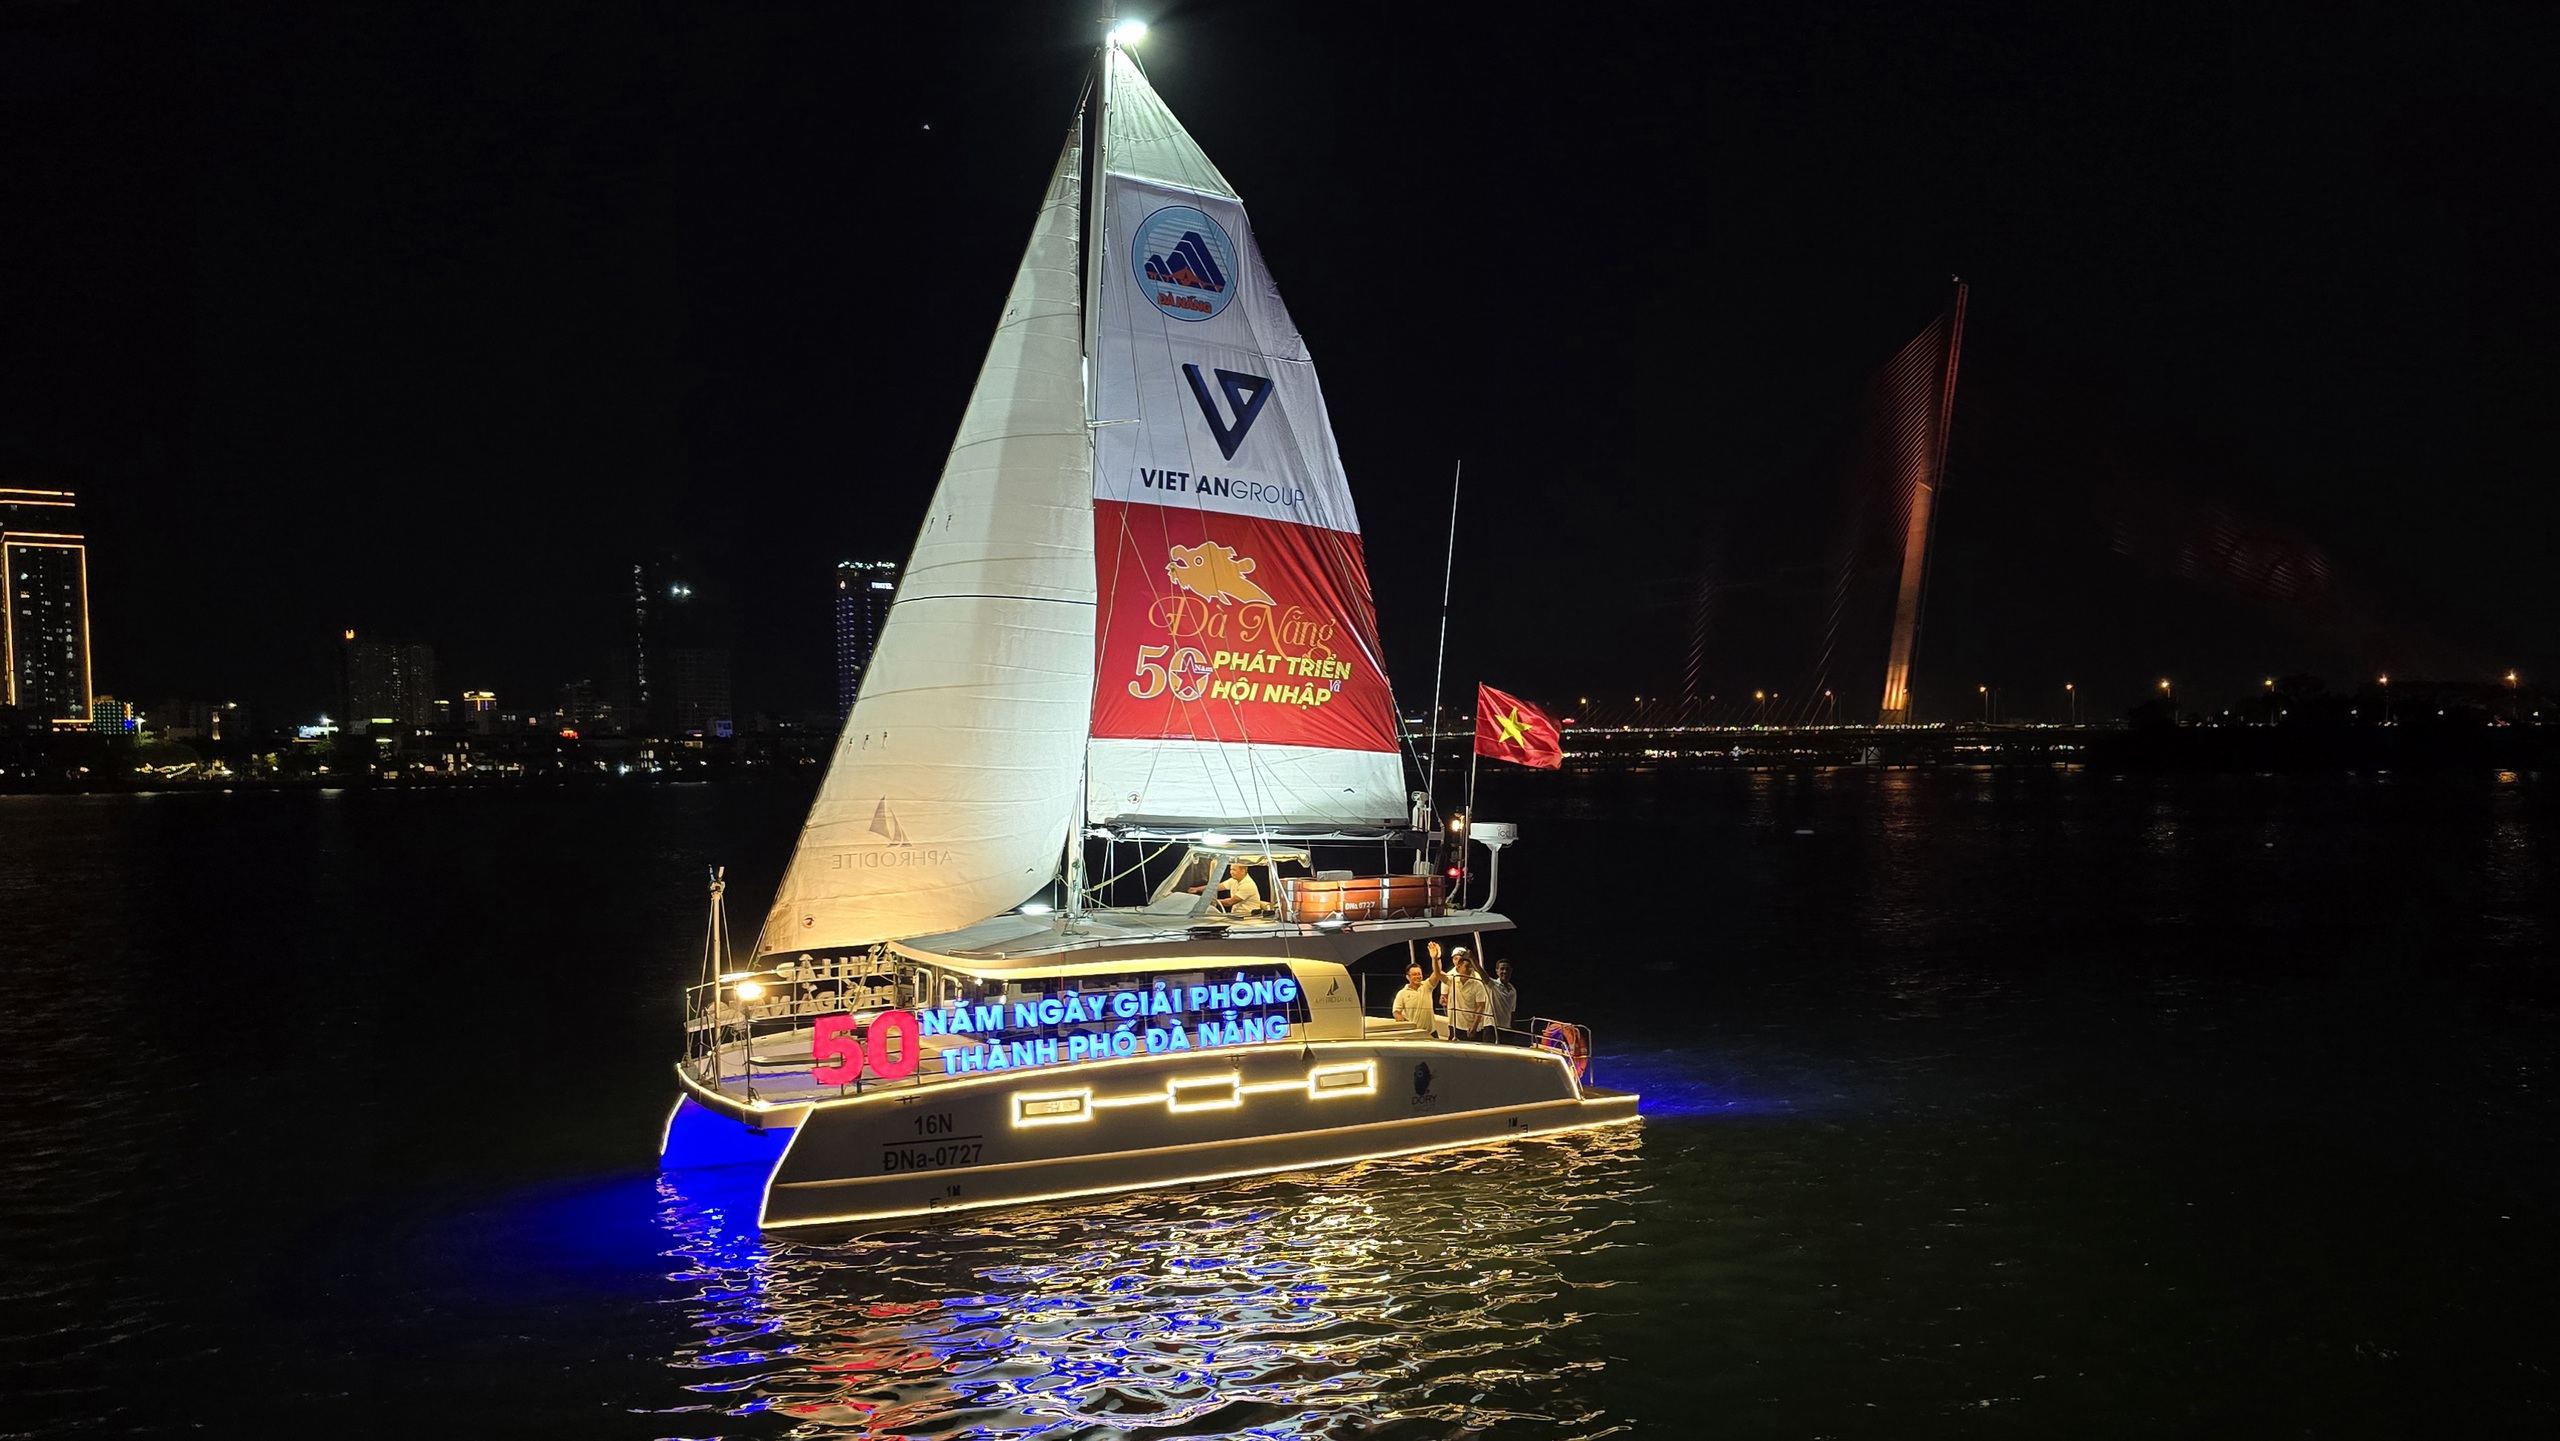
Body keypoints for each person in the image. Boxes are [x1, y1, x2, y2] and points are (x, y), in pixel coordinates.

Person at [1443, 946, 1495, 1041]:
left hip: (1471, 1025)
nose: (1457, 960)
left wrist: (1474, 1026)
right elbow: (1443, 997)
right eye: (1455, 958)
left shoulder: (1477, 979)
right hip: (1455, 1023)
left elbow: (1480, 1005)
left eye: (1460, 957)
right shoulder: (1450, 976)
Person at [1390, 948, 1441, 1031]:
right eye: (1414, 974)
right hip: (1414, 1033)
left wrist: (1436, 958)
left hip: (1431, 1032)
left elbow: (1437, 973)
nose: (1418, 976)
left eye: (1419, 974)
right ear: (1408, 977)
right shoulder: (1402, 993)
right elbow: (1396, 1011)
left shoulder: (1427, 986)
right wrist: (1401, 1019)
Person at [1186, 861, 1263, 913]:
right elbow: (1216, 887)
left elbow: (1229, 902)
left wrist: (1212, 901)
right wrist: (1197, 889)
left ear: (1243, 871)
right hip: (1237, 915)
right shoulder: (1234, 880)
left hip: (1249, 917)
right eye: (1230, 869)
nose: (1231, 872)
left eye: (1234, 870)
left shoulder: (1247, 885)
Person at [1489, 959, 1519, 1038]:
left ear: (1511, 971)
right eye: (1502, 969)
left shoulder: (1513, 990)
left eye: (1507, 969)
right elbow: (1481, 973)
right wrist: (1471, 958)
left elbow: (1512, 1012)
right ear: (1497, 971)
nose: (1505, 972)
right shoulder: (1492, 984)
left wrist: (1513, 1031)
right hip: (1492, 1028)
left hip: (1507, 1030)